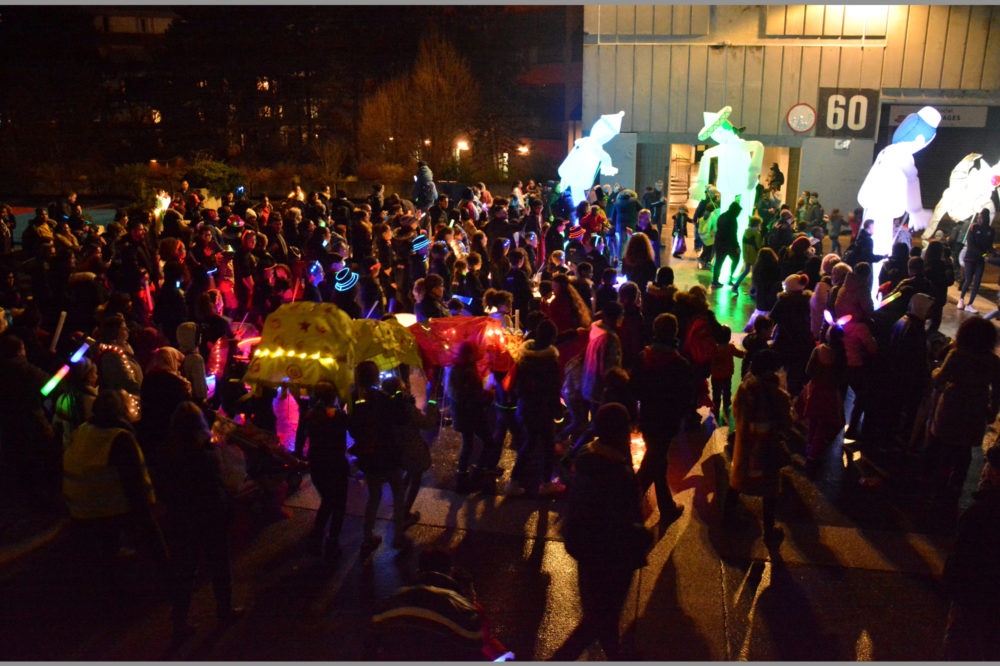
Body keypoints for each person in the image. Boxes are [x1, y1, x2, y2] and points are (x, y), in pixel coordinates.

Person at [555, 403, 650, 660]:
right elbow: (623, 521)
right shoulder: (618, 473)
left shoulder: (586, 456)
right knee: (600, 617)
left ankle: (614, 652)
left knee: (600, 616)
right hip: (611, 558)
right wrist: (643, 535)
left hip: (585, 551)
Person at [62, 389, 166, 616]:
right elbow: (134, 486)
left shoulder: (84, 430)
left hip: (80, 507)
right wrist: (148, 514)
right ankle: (165, 580)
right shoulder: (119, 438)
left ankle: (110, 596)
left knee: (106, 554)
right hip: (107, 508)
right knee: (147, 530)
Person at [159, 401, 241, 642]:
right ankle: (224, 612)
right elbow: (217, 489)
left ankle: (179, 621)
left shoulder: (167, 453)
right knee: (219, 566)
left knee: (184, 571)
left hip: (180, 520)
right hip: (208, 519)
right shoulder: (205, 457)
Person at [928, 317, 1000, 498]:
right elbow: (998, 390)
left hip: (952, 405)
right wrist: (992, 411)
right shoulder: (992, 361)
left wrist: (934, 371)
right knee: (964, 450)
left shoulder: (957, 354)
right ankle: (956, 484)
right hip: (976, 408)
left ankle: (939, 484)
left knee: (945, 447)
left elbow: (939, 379)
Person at [726, 350, 792, 544]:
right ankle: (769, 532)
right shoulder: (777, 393)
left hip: (746, 443)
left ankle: (727, 518)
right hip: (767, 445)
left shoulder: (745, 388)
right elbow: (786, 423)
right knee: (769, 489)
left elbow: (736, 410)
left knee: (737, 481)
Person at [631, 313, 692, 525]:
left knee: (657, 460)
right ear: (674, 333)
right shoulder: (680, 363)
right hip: (668, 421)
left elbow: (635, 389)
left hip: (648, 416)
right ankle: (632, 499)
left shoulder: (643, 357)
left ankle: (665, 507)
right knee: (656, 461)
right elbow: (685, 397)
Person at [942, 446, 1000, 659]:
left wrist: (952, 588)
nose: (986, 471)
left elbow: (961, 561)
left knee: (961, 648)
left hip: (973, 600)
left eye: (993, 468)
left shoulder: (980, 514)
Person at [349, 361, 406, 554]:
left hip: (371, 457)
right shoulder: (384, 398)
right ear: (376, 376)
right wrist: (399, 395)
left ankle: (368, 536)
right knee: (398, 494)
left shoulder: (356, 400)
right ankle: (399, 535)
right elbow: (398, 419)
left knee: (374, 497)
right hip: (389, 454)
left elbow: (354, 429)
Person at [506, 318, 563, 497]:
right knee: (547, 446)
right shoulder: (550, 361)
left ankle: (513, 482)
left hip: (525, 407)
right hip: (543, 409)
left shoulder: (524, 357)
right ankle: (545, 484)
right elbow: (553, 389)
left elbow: (517, 384)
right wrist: (557, 412)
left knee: (530, 443)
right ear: (552, 338)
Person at [301, 380, 350, 560]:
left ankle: (317, 534)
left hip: (318, 464)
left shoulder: (310, 415)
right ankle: (332, 540)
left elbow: (303, 437)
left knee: (328, 500)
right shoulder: (338, 416)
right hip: (336, 464)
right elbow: (353, 429)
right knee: (338, 504)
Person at [447, 342, 500, 493]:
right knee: (488, 442)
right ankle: (478, 470)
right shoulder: (468, 372)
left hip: (462, 416)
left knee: (468, 444)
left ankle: (462, 475)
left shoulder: (455, 369)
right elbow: (475, 396)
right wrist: (490, 393)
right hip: (473, 415)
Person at [957, 209, 995, 312]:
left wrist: (995, 254)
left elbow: (989, 246)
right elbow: (971, 246)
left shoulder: (990, 230)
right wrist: (983, 255)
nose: (979, 218)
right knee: (968, 279)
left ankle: (970, 304)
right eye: (979, 216)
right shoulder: (974, 227)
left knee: (977, 282)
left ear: (985, 217)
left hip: (980, 260)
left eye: (981, 216)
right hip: (970, 258)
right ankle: (961, 299)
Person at [710, 325, 744, 423]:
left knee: (716, 392)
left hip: (715, 375)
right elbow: (740, 354)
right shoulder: (730, 347)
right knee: (727, 390)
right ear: (729, 337)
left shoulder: (713, 349)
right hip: (727, 375)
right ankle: (726, 404)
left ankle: (715, 407)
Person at [712, 200, 742, 287]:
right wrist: (737, 246)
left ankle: (715, 281)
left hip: (719, 242)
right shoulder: (732, 219)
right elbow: (733, 234)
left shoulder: (722, 216)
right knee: (736, 258)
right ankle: (730, 277)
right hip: (728, 245)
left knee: (718, 262)